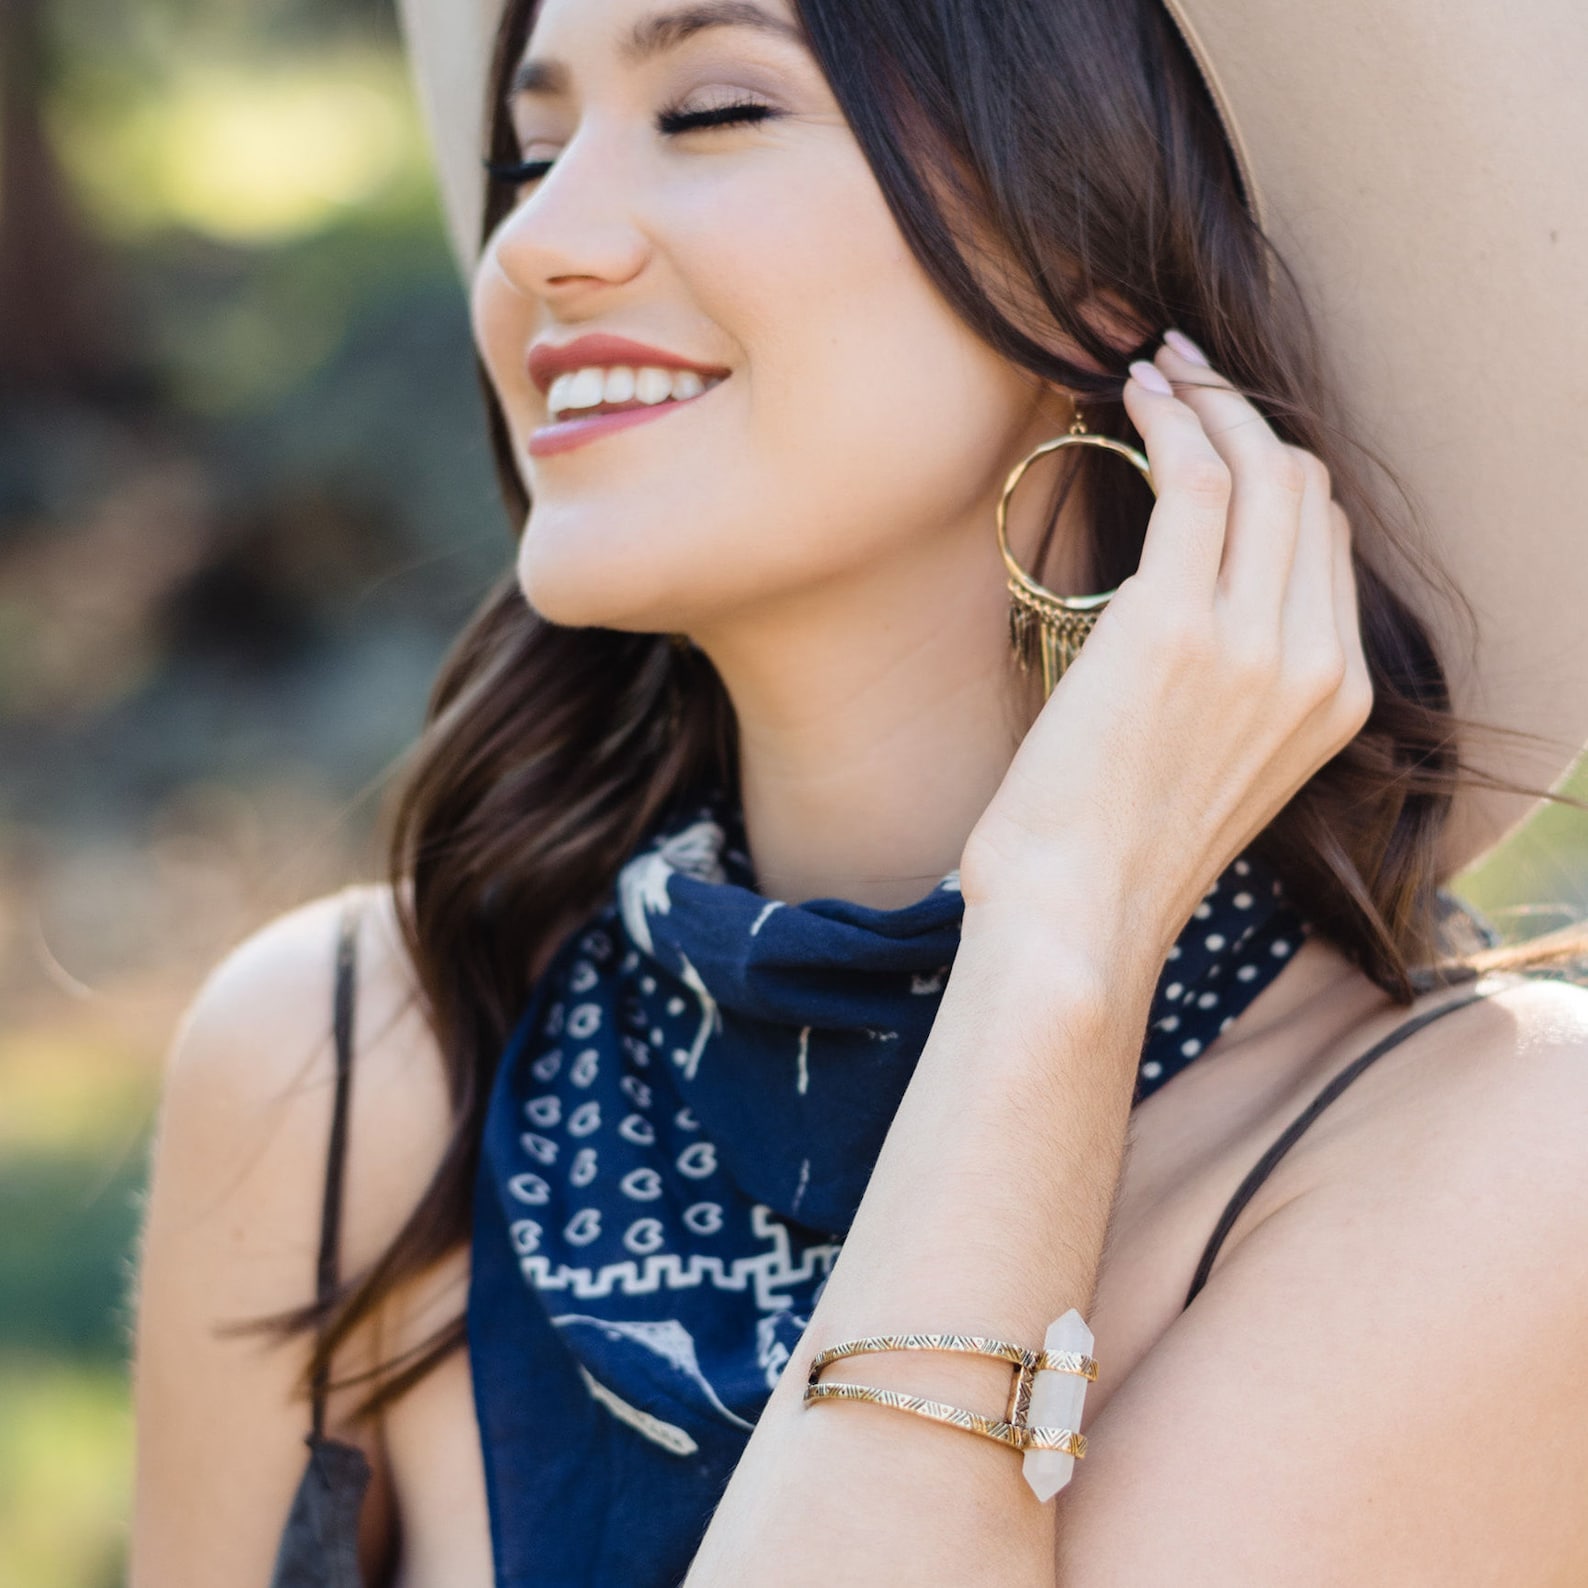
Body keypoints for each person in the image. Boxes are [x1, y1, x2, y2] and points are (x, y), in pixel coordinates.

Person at [129, 0, 1588, 1582]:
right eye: (529, 152)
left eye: (716, 111)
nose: (539, 241)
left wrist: (1060, 943)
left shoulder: (1498, 1170)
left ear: (1091, 249)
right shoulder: (343, 1079)